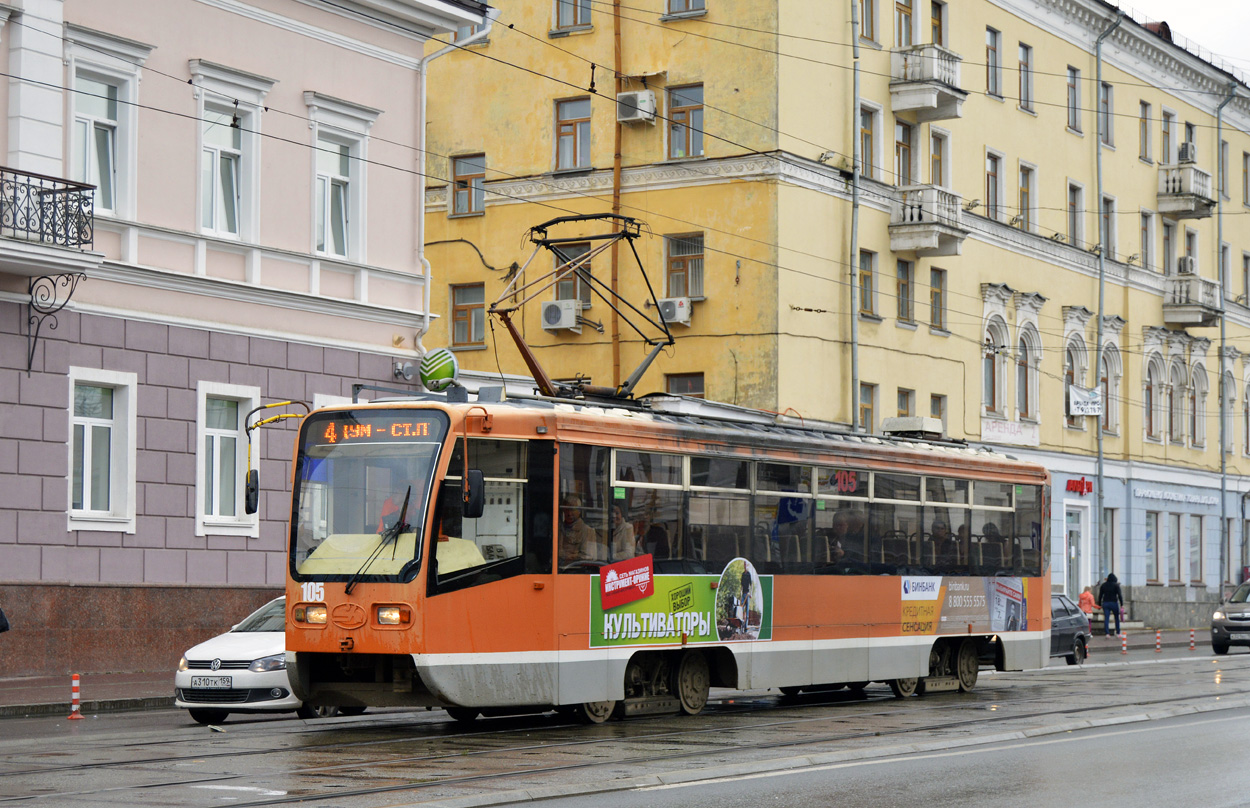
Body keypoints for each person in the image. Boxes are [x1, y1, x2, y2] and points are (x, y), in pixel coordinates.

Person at [558, 494, 601, 565]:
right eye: (566, 510)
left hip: (577, 569)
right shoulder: (558, 529)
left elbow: (588, 557)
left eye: (572, 510)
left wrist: (569, 557)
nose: (569, 513)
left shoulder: (588, 531)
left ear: (579, 511)